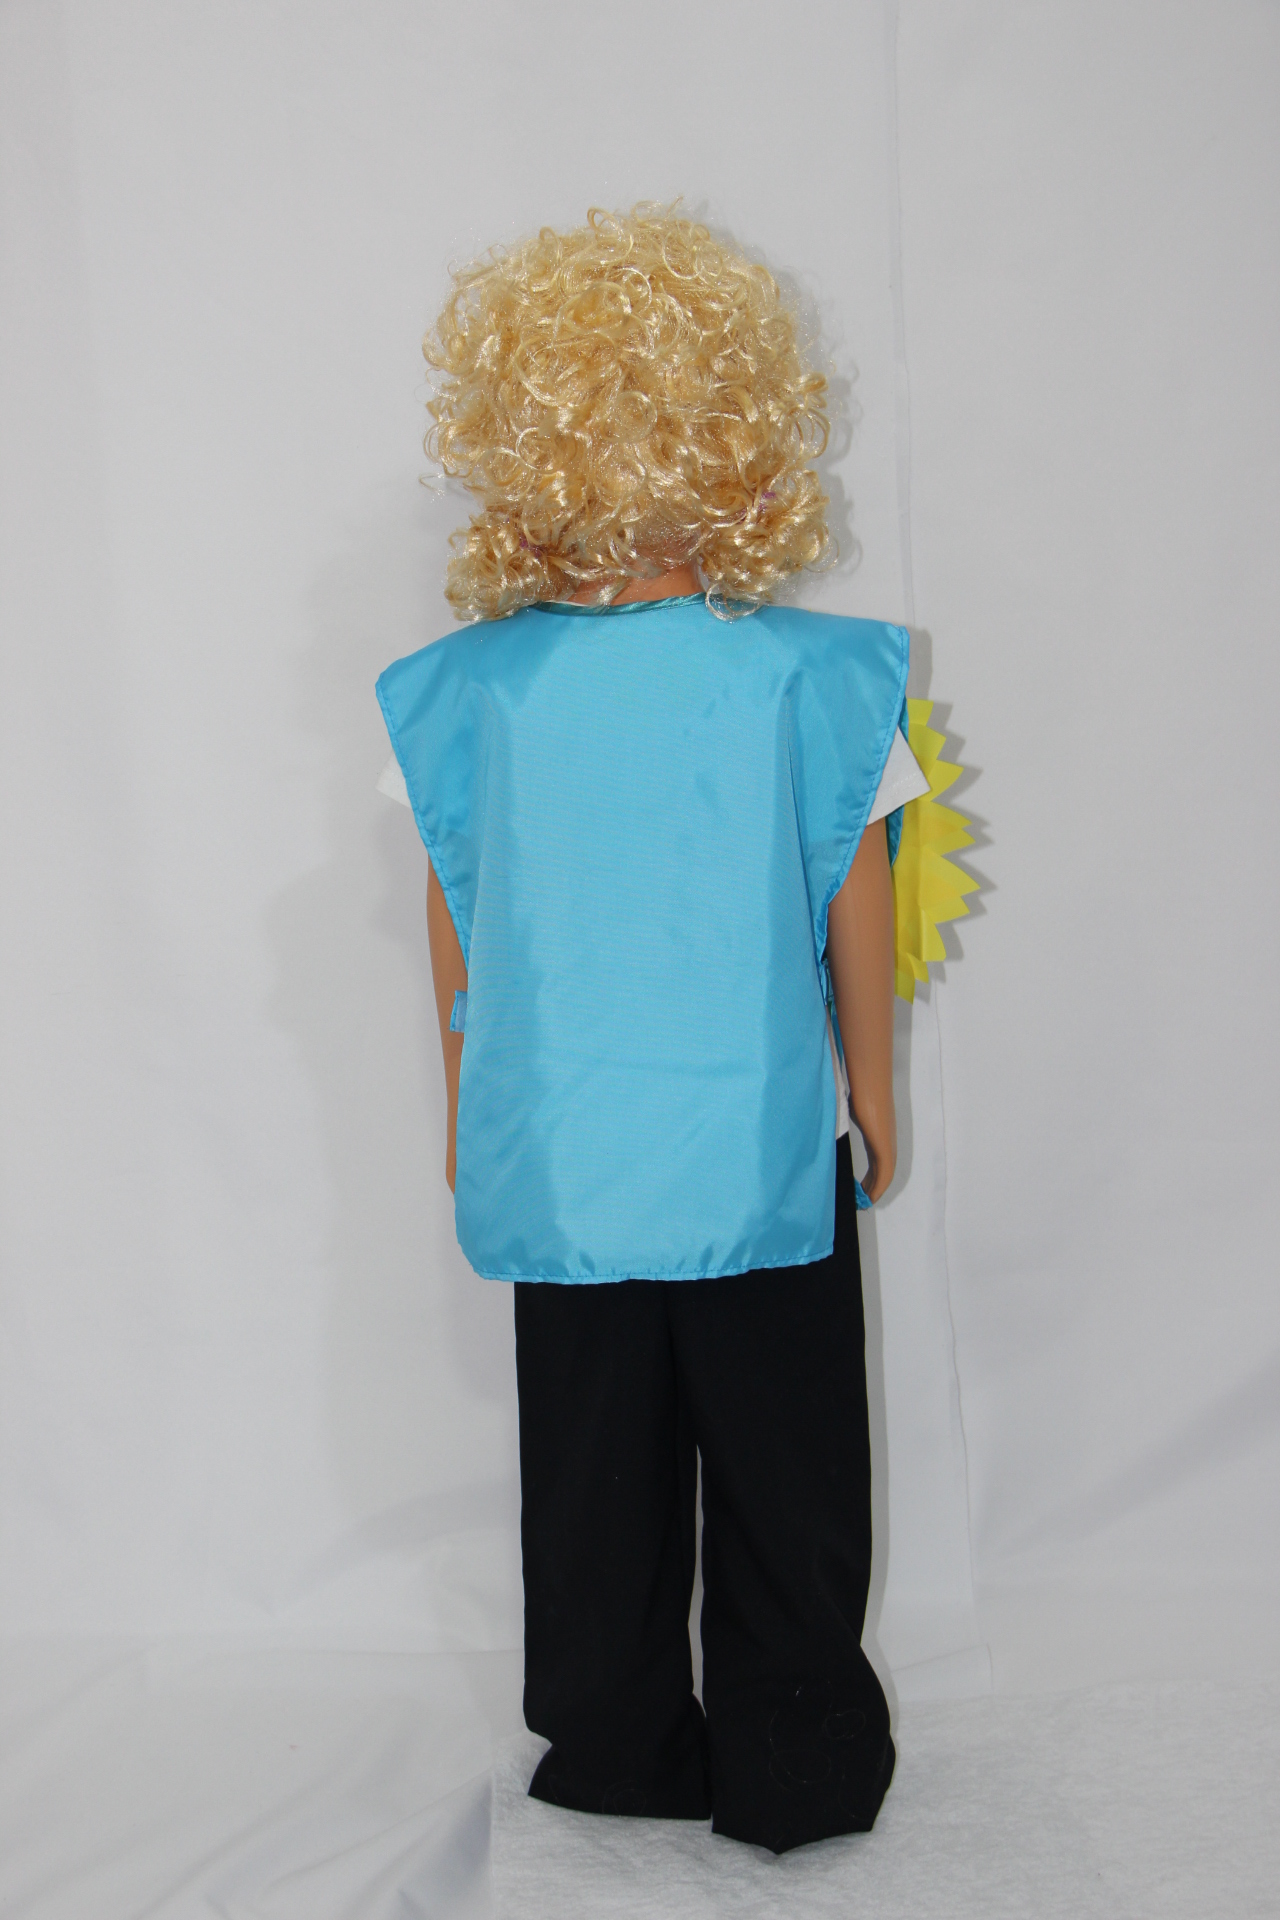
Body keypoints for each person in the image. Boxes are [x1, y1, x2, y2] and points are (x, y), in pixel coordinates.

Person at [376, 205, 928, 1854]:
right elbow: (855, 890)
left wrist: (469, 1094)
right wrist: (871, 1086)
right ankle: (794, 1751)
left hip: (575, 1148)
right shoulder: (809, 677)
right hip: (756, 1143)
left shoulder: (473, 688)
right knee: (785, 1463)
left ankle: (618, 1739)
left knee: (596, 1468)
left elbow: (457, 907)